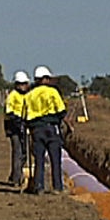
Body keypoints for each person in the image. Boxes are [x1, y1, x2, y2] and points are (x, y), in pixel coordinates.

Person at [23, 65, 67, 194]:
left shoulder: (29, 95)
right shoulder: (53, 92)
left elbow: (25, 116)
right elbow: (62, 110)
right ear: (46, 79)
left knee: (39, 160)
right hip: (51, 128)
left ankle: (39, 186)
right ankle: (57, 187)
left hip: (36, 130)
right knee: (55, 160)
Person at [4, 71, 30, 187]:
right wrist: (18, 122)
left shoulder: (27, 95)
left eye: (25, 84)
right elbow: (9, 113)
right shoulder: (12, 96)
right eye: (21, 84)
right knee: (17, 151)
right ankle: (16, 178)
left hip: (24, 124)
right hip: (14, 127)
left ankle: (18, 173)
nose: (23, 86)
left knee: (25, 151)